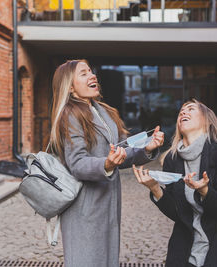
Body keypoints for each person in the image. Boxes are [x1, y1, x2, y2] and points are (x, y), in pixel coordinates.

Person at [48, 59, 164, 267]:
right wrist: (106, 165)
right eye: (83, 73)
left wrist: (147, 147)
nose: (92, 76)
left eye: (91, 71)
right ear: (71, 87)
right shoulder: (70, 115)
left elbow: (120, 154)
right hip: (84, 207)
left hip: (108, 204)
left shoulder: (105, 112)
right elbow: (77, 164)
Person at [133, 99, 217, 267]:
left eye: (191, 109)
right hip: (184, 252)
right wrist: (155, 188)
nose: (183, 112)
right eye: (181, 110)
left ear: (207, 120)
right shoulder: (172, 159)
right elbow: (178, 214)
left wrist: (205, 191)